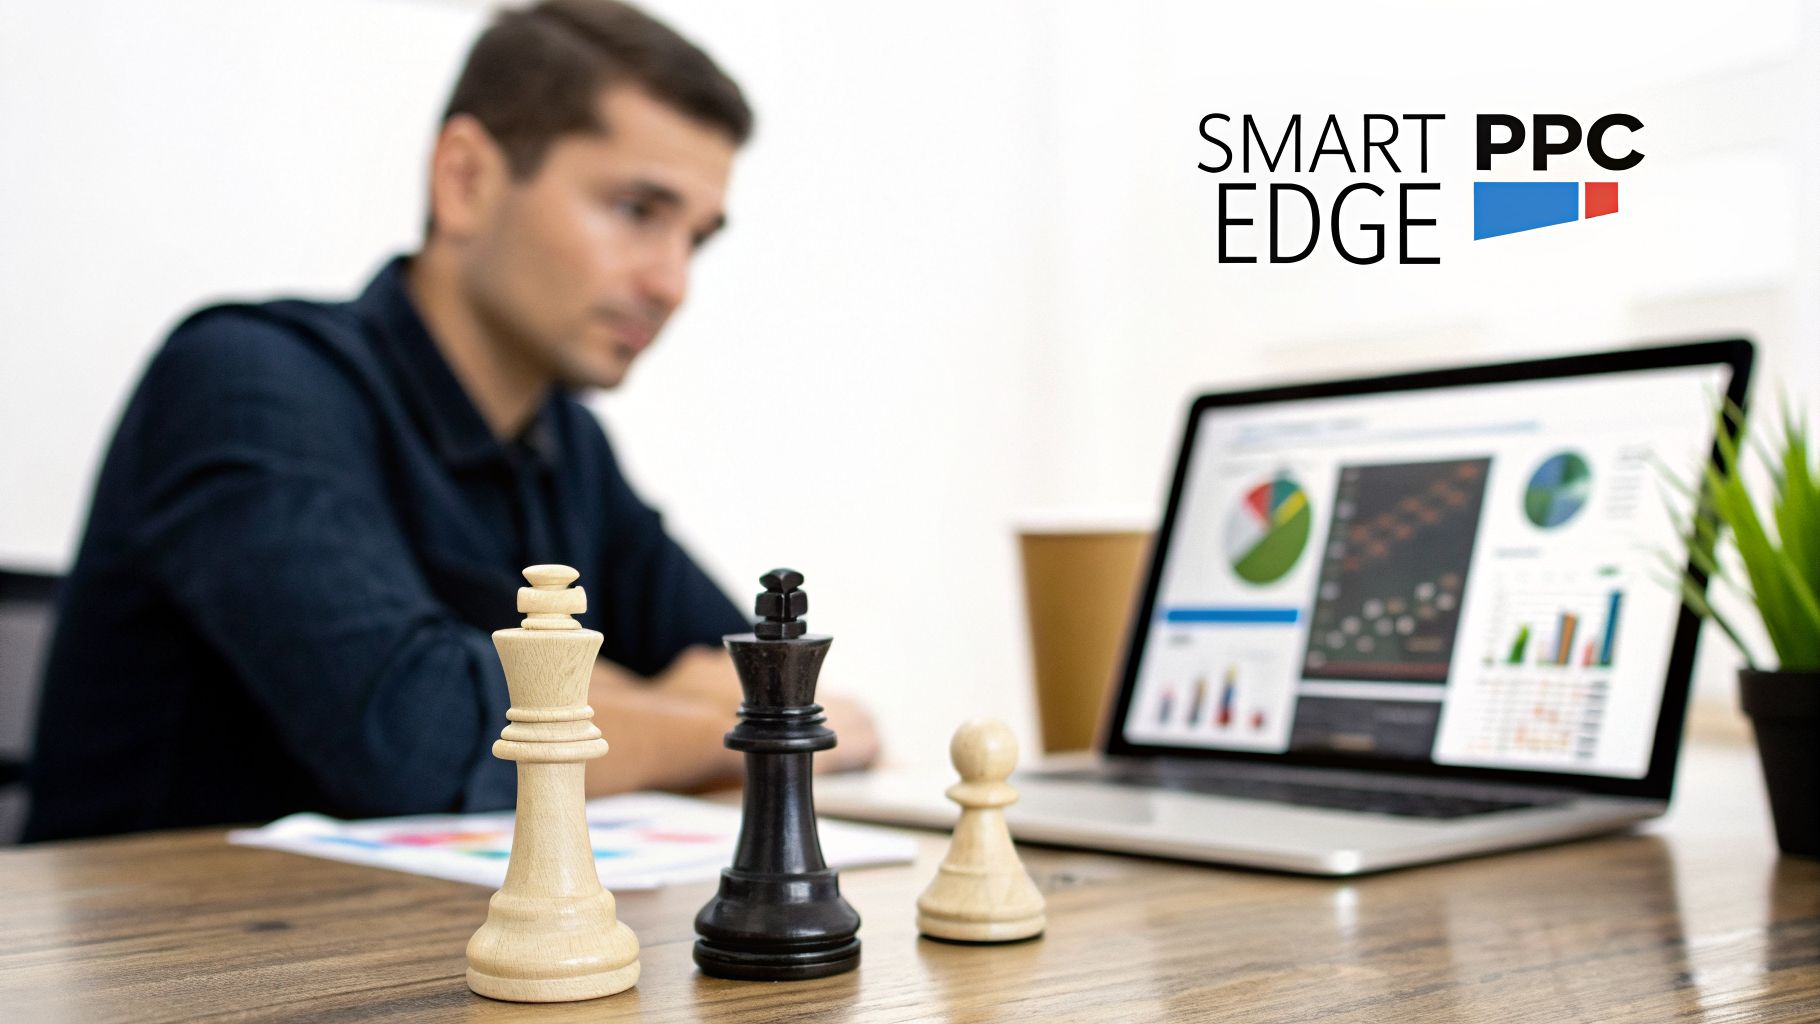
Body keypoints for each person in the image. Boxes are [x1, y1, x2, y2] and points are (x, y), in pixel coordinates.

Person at [24, 0, 877, 842]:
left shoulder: (568, 446)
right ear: (466, 179)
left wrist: (659, 710)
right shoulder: (245, 382)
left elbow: (789, 687)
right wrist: (732, 724)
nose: (672, 283)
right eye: (635, 210)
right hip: (164, 932)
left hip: (426, 927)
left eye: (696, 238)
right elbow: (423, 746)